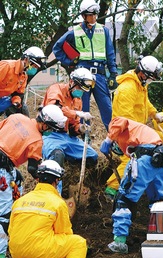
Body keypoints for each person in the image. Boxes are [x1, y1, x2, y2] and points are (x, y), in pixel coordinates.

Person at [8, 160, 95, 258]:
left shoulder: (20, 201)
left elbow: (11, 230)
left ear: (38, 179)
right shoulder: (57, 203)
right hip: (40, 251)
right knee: (77, 242)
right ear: (57, 180)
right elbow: (65, 232)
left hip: (17, 255)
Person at [0, 105, 67, 258]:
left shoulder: (17, 118)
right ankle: (1, 255)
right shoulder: (37, 140)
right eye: (50, 129)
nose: (49, 132)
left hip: (6, 164)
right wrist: (47, 183)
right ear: (44, 124)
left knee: (18, 186)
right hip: (2, 169)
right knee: (5, 213)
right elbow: (32, 168)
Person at [100, 117, 163, 254]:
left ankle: (119, 242)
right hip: (160, 161)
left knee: (124, 200)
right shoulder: (141, 131)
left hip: (144, 159)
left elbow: (120, 122)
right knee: (158, 201)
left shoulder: (120, 123)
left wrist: (108, 140)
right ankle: (161, 236)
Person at [104, 55, 163, 200]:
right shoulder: (127, 89)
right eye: (151, 77)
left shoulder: (141, 86)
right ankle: (111, 189)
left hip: (136, 131)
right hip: (125, 131)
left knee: (158, 142)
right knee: (131, 159)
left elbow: (145, 103)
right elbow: (125, 119)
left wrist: (155, 114)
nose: (152, 80)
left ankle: (145, 180)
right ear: (143, 73)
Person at [53, 0, 118, 130]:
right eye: (90, 15)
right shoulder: (74, 31)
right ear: (83, 15)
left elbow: (110, 53)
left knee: (108, 110)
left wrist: (113, 74)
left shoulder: (103, 30)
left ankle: (114, 141)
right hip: (82, 75)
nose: (94, 17)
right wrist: (69, 62)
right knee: (82, 110)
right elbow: (57, 48)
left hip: (99, 75)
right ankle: (83, 140)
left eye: (95, 14)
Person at [41, 68, 98, 194]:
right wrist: (76, 113)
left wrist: (80, 129)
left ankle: (79, 183)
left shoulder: (78, 100)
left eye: (83, 90)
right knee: (57, 156)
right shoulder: (56, 90)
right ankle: (56, 194)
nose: (80, 92)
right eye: (79, 88)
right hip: (49, 134)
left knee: (92, 156)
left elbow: (73, 128)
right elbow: (54, 109)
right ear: (72, 82)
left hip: (65, 136)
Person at [0, 46, 47, 116]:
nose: (35, 69)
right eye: (34, 66)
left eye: (37, 68)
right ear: (26, 60)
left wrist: (16, 103)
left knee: (22, 109)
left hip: (2, 99)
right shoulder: (6, 66)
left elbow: (18, 94)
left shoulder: (24, 76)